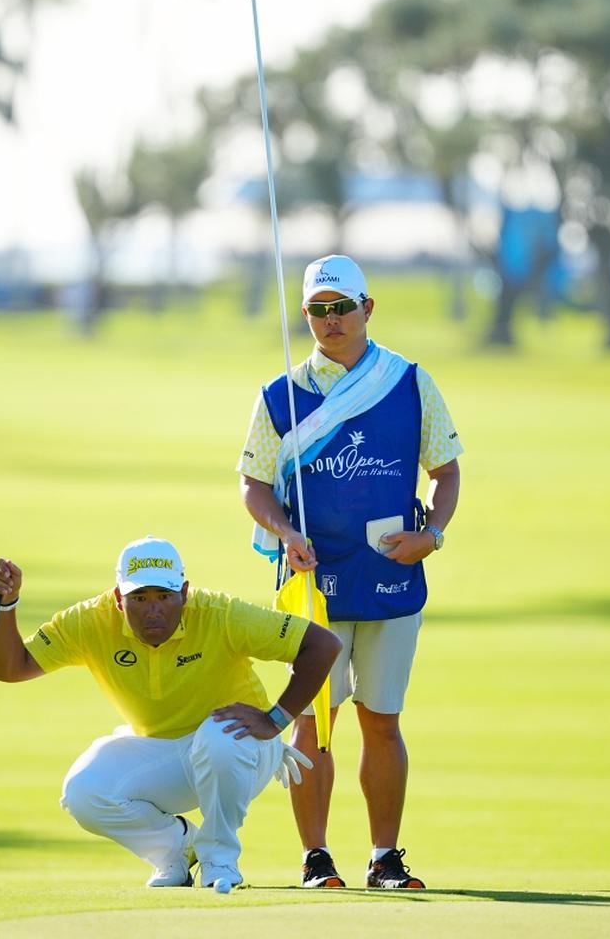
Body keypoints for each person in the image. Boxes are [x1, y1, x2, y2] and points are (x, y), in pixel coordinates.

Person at [237, 254, 464, 889]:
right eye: (318, 310)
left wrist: (432, 535)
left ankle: (385, 856)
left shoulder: (409, 382)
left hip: (392, 578)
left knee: (381, 719)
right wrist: (285, 531)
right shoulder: (279, 395)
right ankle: (316, 857)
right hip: (311, 583)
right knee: (313, 722)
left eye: (342, 308)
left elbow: (444, 470)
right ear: (305, 314)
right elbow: (254, 482)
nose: (331, 321)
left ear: (367, 308)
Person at [0, 535, 341, 892]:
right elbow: (12, 667)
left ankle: (220, 859)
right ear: (119, 599)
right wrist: (8, 605)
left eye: (164, 597)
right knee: (84, 792)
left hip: (243, 750)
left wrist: (275, 718)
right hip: (165, 751)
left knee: (218, 737)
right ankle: (175, 849)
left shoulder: (221, 614)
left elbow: (323, 644)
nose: (153, 609)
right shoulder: (90, 621)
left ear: (184, 592)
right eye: (139, 598)